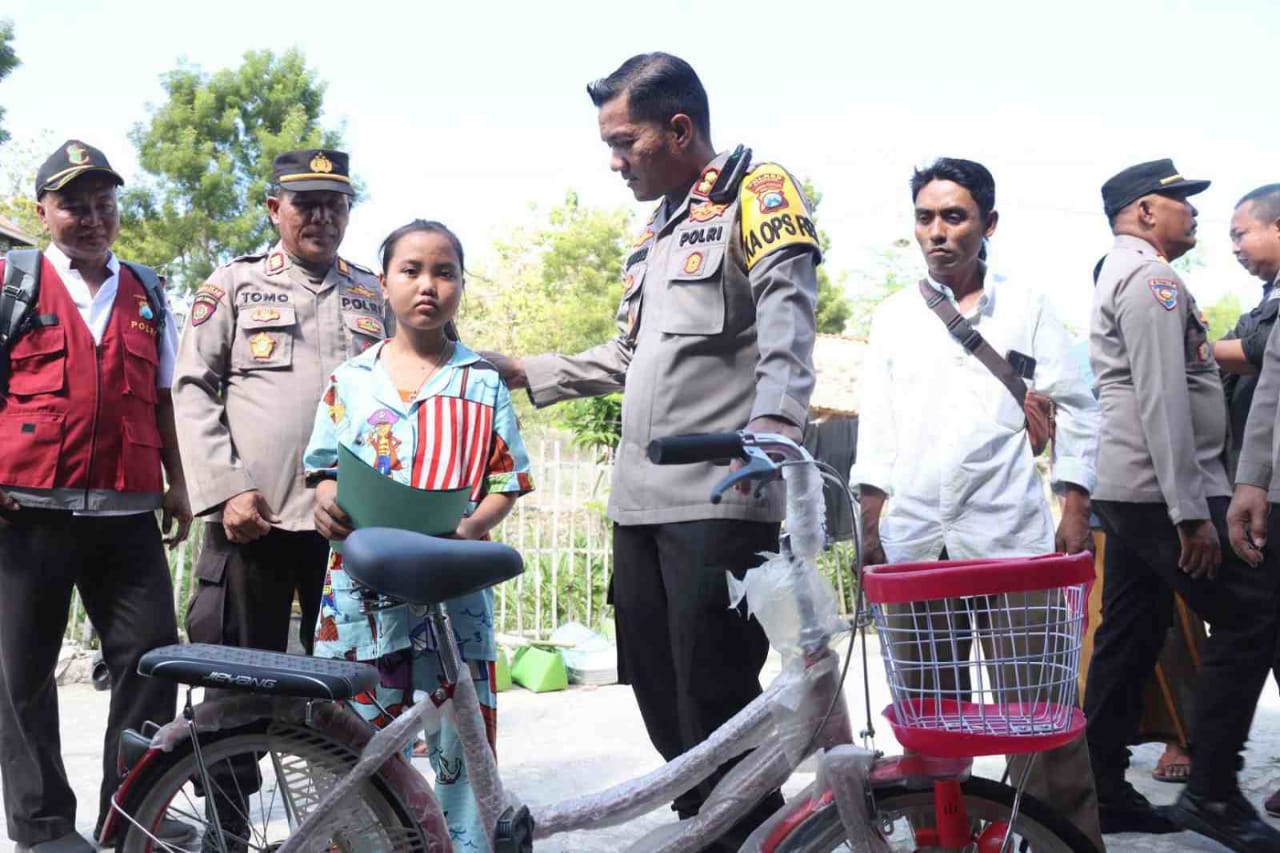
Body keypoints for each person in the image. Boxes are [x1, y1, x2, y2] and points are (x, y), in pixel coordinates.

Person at [483, 53, 820, 849]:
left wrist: (776, 425)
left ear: (678, 128)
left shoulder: (757, 193)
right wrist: (528, 370)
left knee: (714, 689)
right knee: (658, 687)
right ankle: (711, 815)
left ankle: (746, 829)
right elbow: (630, 357)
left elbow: (787, 317)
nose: (614, 160)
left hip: (720, 493)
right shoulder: (656, 228)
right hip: (640, 499)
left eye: (624, 141)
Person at [853, 157, 1103, 850]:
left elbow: (1080, 409)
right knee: (930, 728)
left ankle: (1067, 843)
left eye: (955, 216)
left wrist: (1074, 505)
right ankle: (945, 841)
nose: (938, 232)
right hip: (917, 549)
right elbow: (877, 432)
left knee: (1043, 720)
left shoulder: (1026, 307)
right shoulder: (895, 317)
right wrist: (870, 526)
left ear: (987, 224)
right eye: (926, 217)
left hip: (1011, 543)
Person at [304, 219, 533, 847]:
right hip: (359, 601)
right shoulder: (350, 382)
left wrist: (472, 528)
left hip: (453, 597)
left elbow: (508, 479)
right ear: (383, 283)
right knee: (355, 748)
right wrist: (326, 500)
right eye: (411, 270)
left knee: (465, 757)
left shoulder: (481, 383)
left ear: (460, 285)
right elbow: (322, 471)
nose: (427, 285)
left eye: (444, 271)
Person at [0, 140, 192, 852]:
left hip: (127, 512)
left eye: (103, 202)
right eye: (74, 203)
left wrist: (177, 482)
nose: (91, 216)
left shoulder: (146, 289)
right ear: (43, 210)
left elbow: (164, 395)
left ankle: (135, 809)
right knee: (20, 675)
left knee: (151, 660)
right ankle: (43, 825)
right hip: (26, 511)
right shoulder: (10, 282)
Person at [1087, 158, 1280, 852]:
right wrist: (1189, 511)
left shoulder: (1123, 270)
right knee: (1254, 609)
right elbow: (1162, 400)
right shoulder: (1152, 279)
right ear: (1144, 212)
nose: (1192, 213)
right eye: (1179, 202)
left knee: (1130, 633)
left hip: (1132, 486)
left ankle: (1101, 786)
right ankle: (1215, 792)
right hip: (1158, 489)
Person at [173, 149, 387, 657]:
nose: (322, 218)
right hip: (253, 518)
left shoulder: (376, 292)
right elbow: (192, 387)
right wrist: (228, 490)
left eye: (335, 205)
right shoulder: (232, 285)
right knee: (240, 682)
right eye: (305, 205)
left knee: (352, 685)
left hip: (350, 521)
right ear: (274, 208)